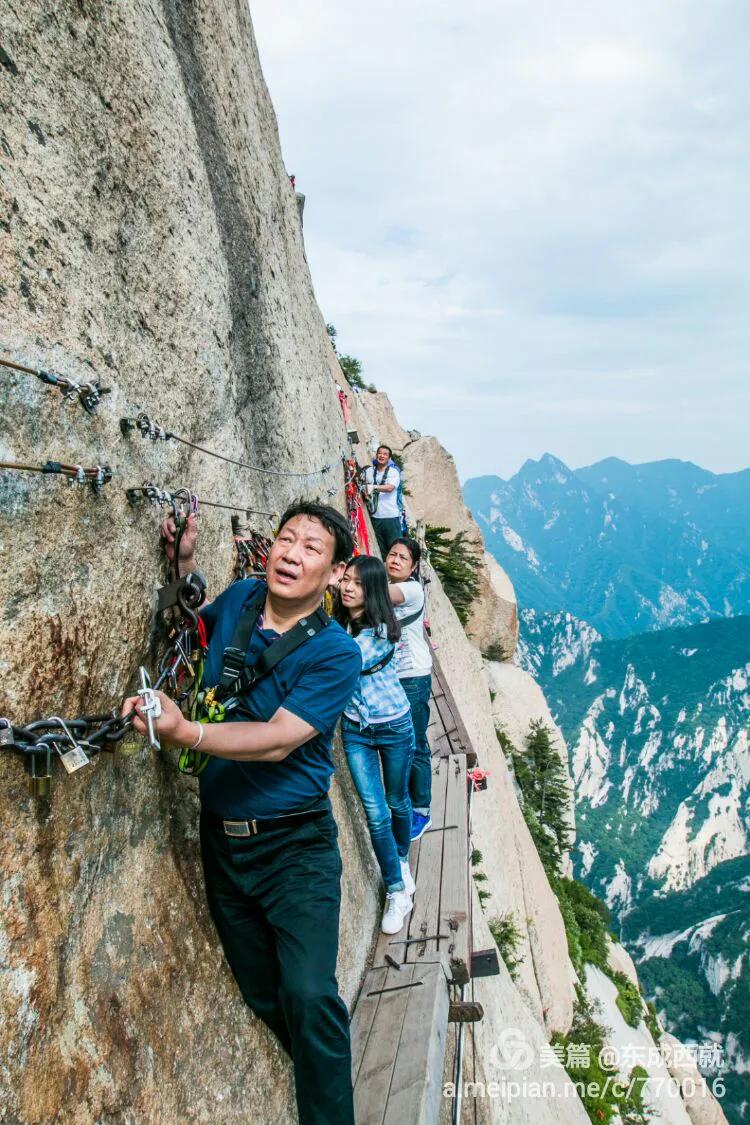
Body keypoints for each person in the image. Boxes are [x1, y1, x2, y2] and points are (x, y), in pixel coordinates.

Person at [122, 500, 361, 1125]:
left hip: (294, 849)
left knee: (310, 995)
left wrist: (186, 732)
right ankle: (323, 1073)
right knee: (262, 991)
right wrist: (184, 559)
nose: (292, 553)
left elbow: (281, 737)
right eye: (287, 539)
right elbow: (194, 633)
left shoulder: (336, 654)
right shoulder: (243, 599)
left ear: (335, 574)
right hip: (223, 843)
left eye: (313, 548)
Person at [336, 555, 416, 935]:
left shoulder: (381, 629)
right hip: (355, 730)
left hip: (394, 725)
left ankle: (401, 858)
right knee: (376, 812)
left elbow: (349, 658)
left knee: (398, 800)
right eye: (345, 579)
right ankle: (397, 889)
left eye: (358, 583)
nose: (348, 587)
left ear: (373, 592)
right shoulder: (338, 626)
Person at [385, 537, 434, 840]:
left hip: (414, 676)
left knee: (415, 743)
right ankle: (405, 805)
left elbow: (380, 592)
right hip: (396, 676)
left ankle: (421, 811)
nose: (395, 560)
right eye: (392, 554)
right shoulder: (390, 584)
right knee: (403, 742)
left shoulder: (411, 590)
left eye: (403, 558)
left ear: (414, 566)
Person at [364, 444, 402, 557]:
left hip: (390, 516)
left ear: (389, 458)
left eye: (385, 454)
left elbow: (390, 488)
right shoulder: (369, 471)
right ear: (376, 455)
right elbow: (363, 485)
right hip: (375, 516)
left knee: (395, 548)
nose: (382, 456)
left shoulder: (393, 472)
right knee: (381, 551)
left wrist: (374, 487)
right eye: (380, 453)